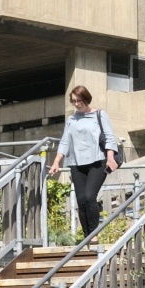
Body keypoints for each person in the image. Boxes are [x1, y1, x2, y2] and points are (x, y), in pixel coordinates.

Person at [49, 85, 120, 236]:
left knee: (89, 197)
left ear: (86, 99)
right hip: (76, 163)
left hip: (97, 161)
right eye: (73, 101)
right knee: (81, 200)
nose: (76, 104)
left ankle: (94, 234)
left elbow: (109, 137)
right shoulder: (71, 120)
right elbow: (64, 141)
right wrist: (57, 161)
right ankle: (87, 236)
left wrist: (110, 157)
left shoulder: (100, 115)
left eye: (79, 100)